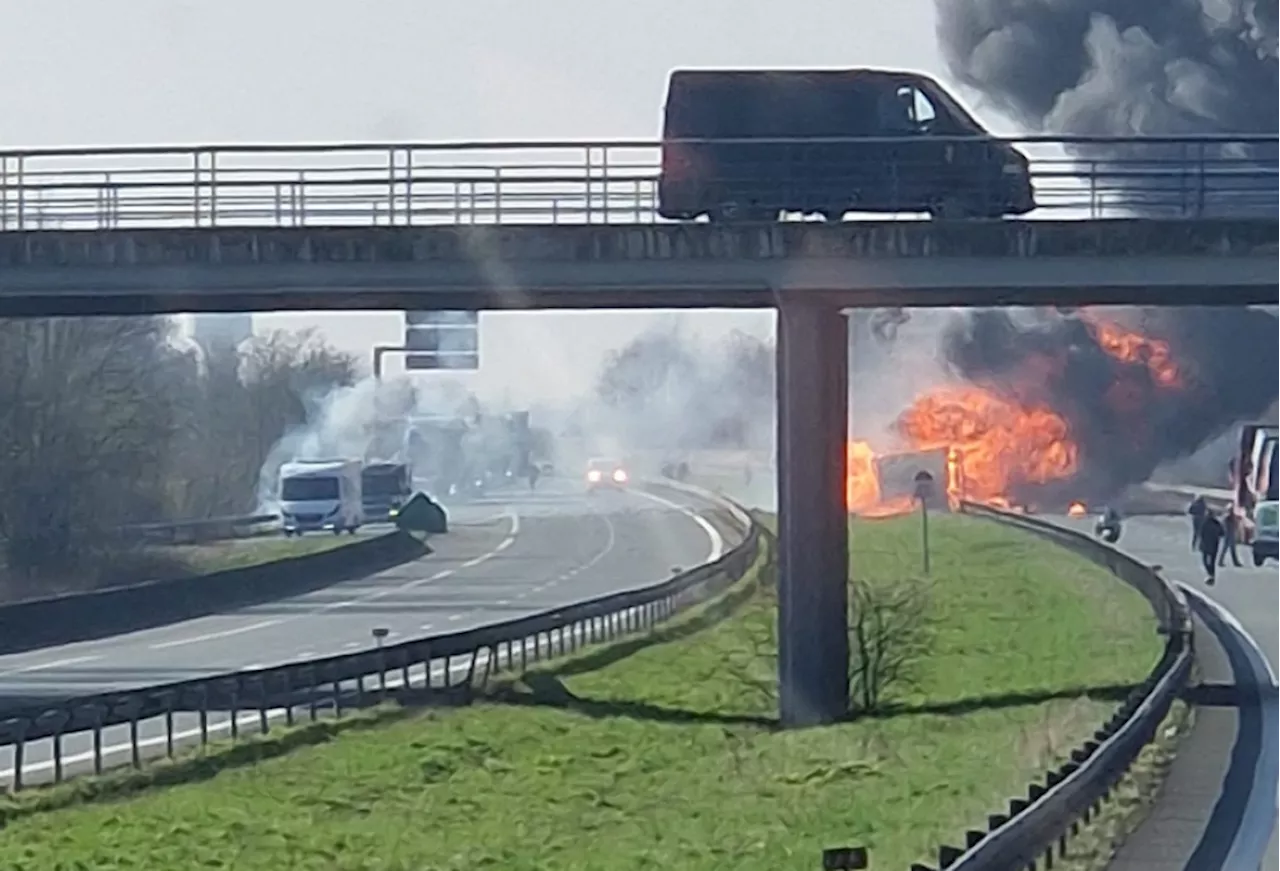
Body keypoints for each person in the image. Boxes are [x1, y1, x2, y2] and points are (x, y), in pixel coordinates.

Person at [1199, 510, 1224, 585]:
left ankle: (1211, 574)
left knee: (1206, 560)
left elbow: (1201, 533)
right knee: (1211, 561)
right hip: (1213, 544)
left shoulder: (1205, 523)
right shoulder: (1216, 523)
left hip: (1208, 544)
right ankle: (1211, 575)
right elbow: (1222, 533)